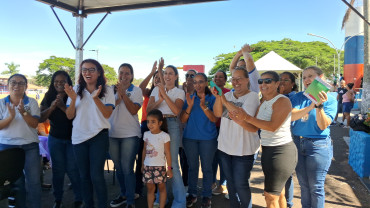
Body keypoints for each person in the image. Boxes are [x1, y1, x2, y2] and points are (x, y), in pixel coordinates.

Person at [233, 71, 297, 208]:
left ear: (277, 83)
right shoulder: (263, 102)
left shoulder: (282, 101)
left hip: (282, 151)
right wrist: (239, 121)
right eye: (260, 81)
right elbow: (254, 127)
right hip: (267, 151)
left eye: (268, 81)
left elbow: (273, 126)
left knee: (270, 196)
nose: (263, 84)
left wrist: (247, 118)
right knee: (277, 194)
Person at [65, 59, 115, 208]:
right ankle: (89, 205)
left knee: (96, 176)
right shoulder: (76, 89)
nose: (87, 72)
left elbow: (107, 114)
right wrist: (73, 99)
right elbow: (69, 115)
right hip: (79, 138)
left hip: (98, 136)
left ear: (99, 72)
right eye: (84, 69)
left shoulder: (107, 90)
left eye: (92, 69)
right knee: (84, 176)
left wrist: (95, 98)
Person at [212, 67, 260, 208]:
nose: (236, 82)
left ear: (247, 80)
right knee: (231, 184)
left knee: (241, 184)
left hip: (243, 149)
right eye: (233, 79)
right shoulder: (228, 95)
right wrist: (218, 98)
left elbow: (241, 116)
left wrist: (224, 100)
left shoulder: (252, 96)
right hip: (225, 147)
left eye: (239, 78)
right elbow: (217, 113)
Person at [290, 66, 337, 208]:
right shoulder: (297, 97)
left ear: (320, 78)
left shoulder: (331, 99)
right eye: (304, 77)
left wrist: (319, 106)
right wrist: (311, 105)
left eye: (310, 76)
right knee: (304, 186)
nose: (306, 80)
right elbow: (291, 116)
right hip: (298, 143)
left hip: (318, 146)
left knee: (316, 187)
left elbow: (323, 125)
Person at [39, 70, 83, 208]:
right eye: (56, 81)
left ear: (68, 83)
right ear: (53, 83)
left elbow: (76, 116)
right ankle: (57, 199)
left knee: (72, 170)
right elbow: (41, 117)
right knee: (57, 170)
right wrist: (52, 106)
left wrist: (62, 106)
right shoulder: (49, 96)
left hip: (72, 139)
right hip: (55, 138)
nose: (59, 84)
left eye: (62, 81)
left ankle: (79, 198)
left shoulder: (74, 96)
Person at [147, 63, 187, 208]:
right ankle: (160, 198)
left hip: (172, 124)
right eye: (166, 73)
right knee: (158, 163)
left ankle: (180, 201)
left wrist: (164, 94)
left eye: (171, 73)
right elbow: (148, 110)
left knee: (173, 165)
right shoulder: (156, 90)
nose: (167, 76)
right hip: (158, 125)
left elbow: (176, 110)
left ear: (176, 77)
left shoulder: (179, 92)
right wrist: (160, 98)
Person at [0, 74, 41, 208]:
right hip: (8, 147)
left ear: (26, 86)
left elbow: (35, 123)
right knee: (16, 183)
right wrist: (10, 117)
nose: (16, 86)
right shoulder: (1, 103)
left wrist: (23, 112)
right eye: (13, 82)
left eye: (21, 83)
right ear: (8, 84)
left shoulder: (32, 102)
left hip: (30, 147)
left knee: (34, 182)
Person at [180, 73, 218, 208]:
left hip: (208, 139)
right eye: (195, 82)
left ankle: (207, 195)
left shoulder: (213, 98)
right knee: (192, 168)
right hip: (190, 138)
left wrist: (204, 106)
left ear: (206, 83)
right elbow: (183, 120)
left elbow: (214, 119)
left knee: (207, 168)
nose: (197, 85)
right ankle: (192, 194)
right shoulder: (189, 97)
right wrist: (189, 106)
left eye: (200, 81)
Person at [108, 63, 143, 208]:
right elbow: (108, 109)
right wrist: (118, 94)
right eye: (121, 72)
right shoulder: (110, 90)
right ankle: (123, 194)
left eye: (127, 73)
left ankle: (130, 200)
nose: (124, 76)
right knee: (119, 167)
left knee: (127, 167)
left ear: (132, 75)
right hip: (112, 133)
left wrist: (123, 94)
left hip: (130, 134)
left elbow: (134, 110)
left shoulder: (137, 90)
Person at [137, 59, 164, 197]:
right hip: (145, 126)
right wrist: (152, 72)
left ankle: (158, 190)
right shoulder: (148, 92)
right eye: (156, 78)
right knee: (141, 156)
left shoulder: (165, 93)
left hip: (159, 127)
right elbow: (139, 88)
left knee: (157, 157)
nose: (157, 80)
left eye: (160, 78)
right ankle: (138, 188)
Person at [141, 109, 173, 208]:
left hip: (160, 167)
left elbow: (168, 153)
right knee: (150, 190)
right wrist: (142, 164)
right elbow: (144, 150)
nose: (150, 124)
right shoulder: (146, 134)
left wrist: (169, 169)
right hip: (148, 167)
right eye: (148, 121)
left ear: (160, 123)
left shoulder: (165, 136)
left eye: (153, 122)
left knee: (162, 188)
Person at [278, 71, 298, 208]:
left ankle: (288, 203)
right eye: (280, 80)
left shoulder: (294, 98)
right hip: (274, 140)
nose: (282, 82)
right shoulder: (274, 97)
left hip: (289, 138)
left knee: (287, 174)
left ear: (292, 84)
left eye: (286, 80)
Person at [211, 70, 230, 196]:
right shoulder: (209, 92)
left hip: (225, 129)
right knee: (213, 157)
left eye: (220, 77)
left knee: (223, 157)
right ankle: (212, 182)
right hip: (211, 129)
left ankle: (223, 184)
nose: (217, 79)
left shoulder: (229, 93)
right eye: (215, 77)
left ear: (225, 80)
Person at [179, 69, 197, 190]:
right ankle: (185, 184)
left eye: (192, 75)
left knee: (192, 161)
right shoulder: (180, 91)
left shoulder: (199, 93)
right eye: (187, 75)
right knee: (183, 159)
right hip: (182, 130)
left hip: (195, 131)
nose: (189, 77)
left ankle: (191, 186)